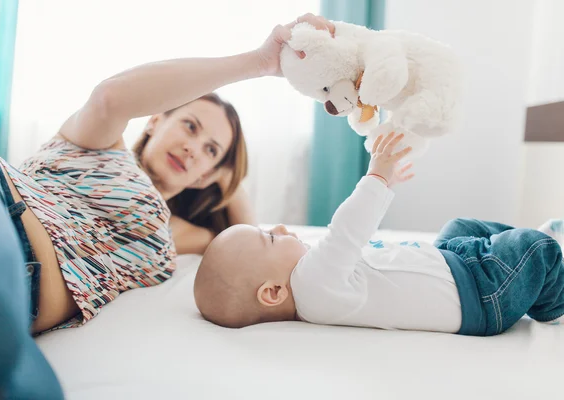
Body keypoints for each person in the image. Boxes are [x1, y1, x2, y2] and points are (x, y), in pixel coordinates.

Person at [0, 12, 335, 400]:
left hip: (18, 305)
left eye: (211, 150)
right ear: (156, 120)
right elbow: (110, 97)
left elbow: (251, 251)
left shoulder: (184, 237)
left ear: (211, 176)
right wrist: (258, 63)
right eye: (190, 126)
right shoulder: (97, 146)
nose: (194, 147)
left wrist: (227, 175)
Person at [194, 132, 564, 336]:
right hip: (482, 297)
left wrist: (387, 186)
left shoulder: (322, 285)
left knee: (461, 227)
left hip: (453, 266)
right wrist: (379, 175)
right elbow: (347, 231)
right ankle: (551, 301)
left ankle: (536, 275)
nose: (278, 228)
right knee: (535, 248)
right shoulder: (313, 287)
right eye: (269, 239)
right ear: (273, 293)